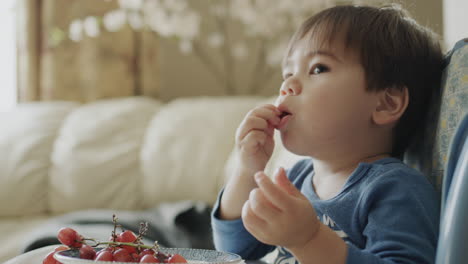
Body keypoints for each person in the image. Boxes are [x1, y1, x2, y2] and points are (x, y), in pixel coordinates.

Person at [211, 4, 444, 264]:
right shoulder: (296, 178)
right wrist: (247, 170)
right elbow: (233, 251)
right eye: (288, 74)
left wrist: (309, 240)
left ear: (385, 104)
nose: (287, 85)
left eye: (318, 68)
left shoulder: (394, 188)